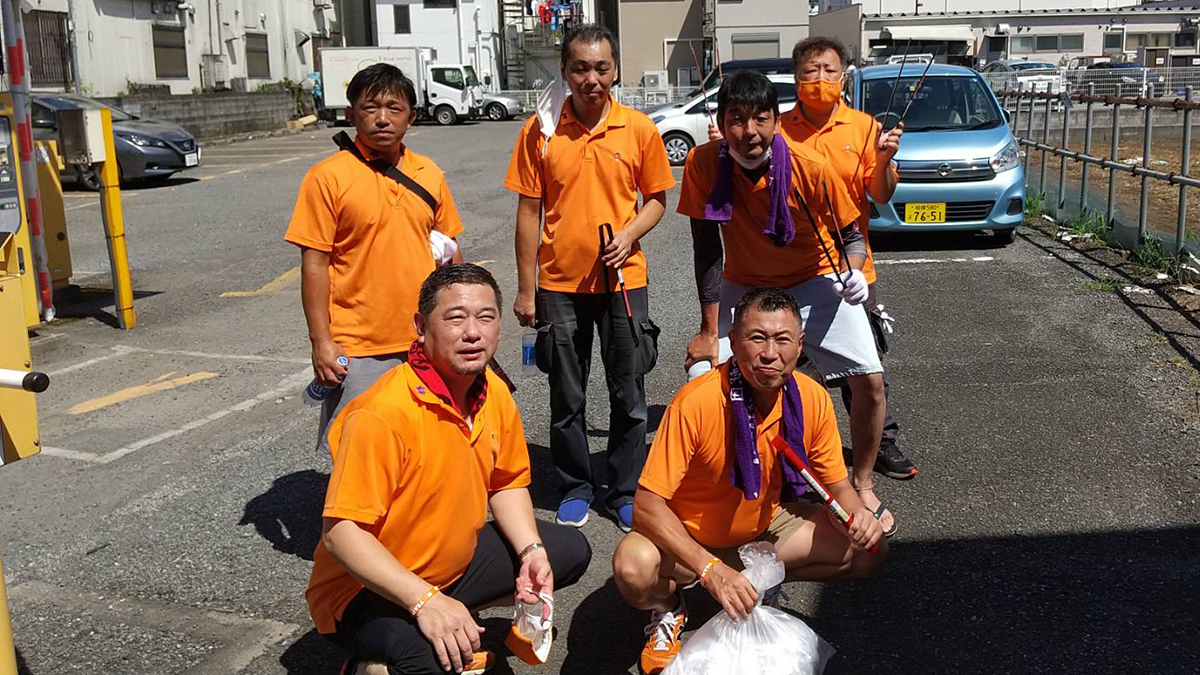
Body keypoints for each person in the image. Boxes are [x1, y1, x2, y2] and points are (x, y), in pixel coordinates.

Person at [306, 264, 593, 675]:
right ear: (421, 327)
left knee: (568, 552)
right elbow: (341, 534)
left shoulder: (493, 392)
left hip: (450, 569)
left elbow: (507, 482)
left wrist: (530, 551)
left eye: (486, 317)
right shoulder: (382, 414)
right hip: (363, 590)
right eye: (455, 318)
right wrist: (425, 601)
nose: (472, 332)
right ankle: (366, 667)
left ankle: (447, 615)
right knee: (431, 661)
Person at [613, 287, 887, 675]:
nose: (770, 353)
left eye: (782, 340)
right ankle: (668, 608)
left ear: (800, 344)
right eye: (757, 338)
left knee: (869, 552)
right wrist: (710, 570)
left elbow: (838, 486)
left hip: (764, 529)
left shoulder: (811, 398)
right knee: (633, 567)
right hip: (691, 539)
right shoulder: (696, 402)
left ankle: (759, 580)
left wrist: (858, 516)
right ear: (734, 341)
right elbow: (646, 505)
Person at [678, 70, 895, 537]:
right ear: (720, 122)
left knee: (870, 380)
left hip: (814, 278)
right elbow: (706, 250)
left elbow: (852, 236)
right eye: (736, 119)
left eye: (761, 118)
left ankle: (861, 481)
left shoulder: (810, 166)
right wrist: (708, 329)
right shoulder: (702, 163)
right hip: (745, 283)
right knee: (704, 376)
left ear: (777, 121)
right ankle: (732, 487)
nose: (749, 131)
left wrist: (855, 271)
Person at [503, 23, 676, 532]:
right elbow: (528, 212)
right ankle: (576, 486)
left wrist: (629, 234)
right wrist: (526, 288)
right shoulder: (541, 131)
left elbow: (657, 200)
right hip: (559, 285)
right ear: (564, 71)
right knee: (566, 393)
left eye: (601, 67)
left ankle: (624, 491)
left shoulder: (638, 128)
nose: (591, 78)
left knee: (629, 392)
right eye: (580, 68)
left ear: (615, 70)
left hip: (624, 281)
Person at [285, 63, 464, 454]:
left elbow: (451, 252)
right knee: (358, 452)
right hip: (358, 345)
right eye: (371, 107)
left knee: (425, 447)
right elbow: (314, 264)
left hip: (425, 339)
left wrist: (458, 322)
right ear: (351, 115)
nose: (383, 118)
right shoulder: (327, 177)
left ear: (411, 118)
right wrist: (322, 342)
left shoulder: (428, 173)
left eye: (394, 108)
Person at [781, 36, 918, 488]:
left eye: (829, 70)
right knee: (796, 364)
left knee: (862, 364)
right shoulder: (778, 128)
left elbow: (880, 194)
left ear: (843, 76)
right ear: (796, 77)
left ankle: (880, 442)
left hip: (851, 264)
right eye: (810, 70)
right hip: (793, 266)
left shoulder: (863, 127)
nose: (820, 78)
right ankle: (798, 446)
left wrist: (884, 160)